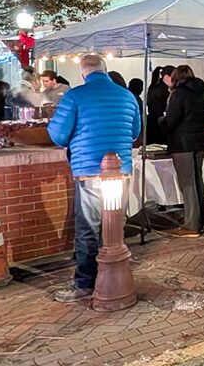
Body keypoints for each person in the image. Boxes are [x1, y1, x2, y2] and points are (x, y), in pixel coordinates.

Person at [47, 54, 143, 302]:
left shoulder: (75, 96)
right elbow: (135, 132)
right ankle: (115, 276)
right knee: (113, 225)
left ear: (83, 74)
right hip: (120, 171)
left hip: (88, 171)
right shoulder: (127, 95)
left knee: (87, 229)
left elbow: (57, 135)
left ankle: (86, 283)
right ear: (106, 70)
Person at [160, 65, 204, 237]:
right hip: (199, 141)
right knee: (197, 181)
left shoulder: (178, 94)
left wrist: (161, 120)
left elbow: (171, 121)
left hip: (182, 143)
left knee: (187, 184)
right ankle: (199, 221)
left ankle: (191, 225)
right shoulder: (203, 94)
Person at [146, 66, 170, 146]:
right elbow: (160, 111)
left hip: (152, 126)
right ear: (166, 77)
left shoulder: (153, 88)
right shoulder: (163, 91)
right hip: (159, 128)